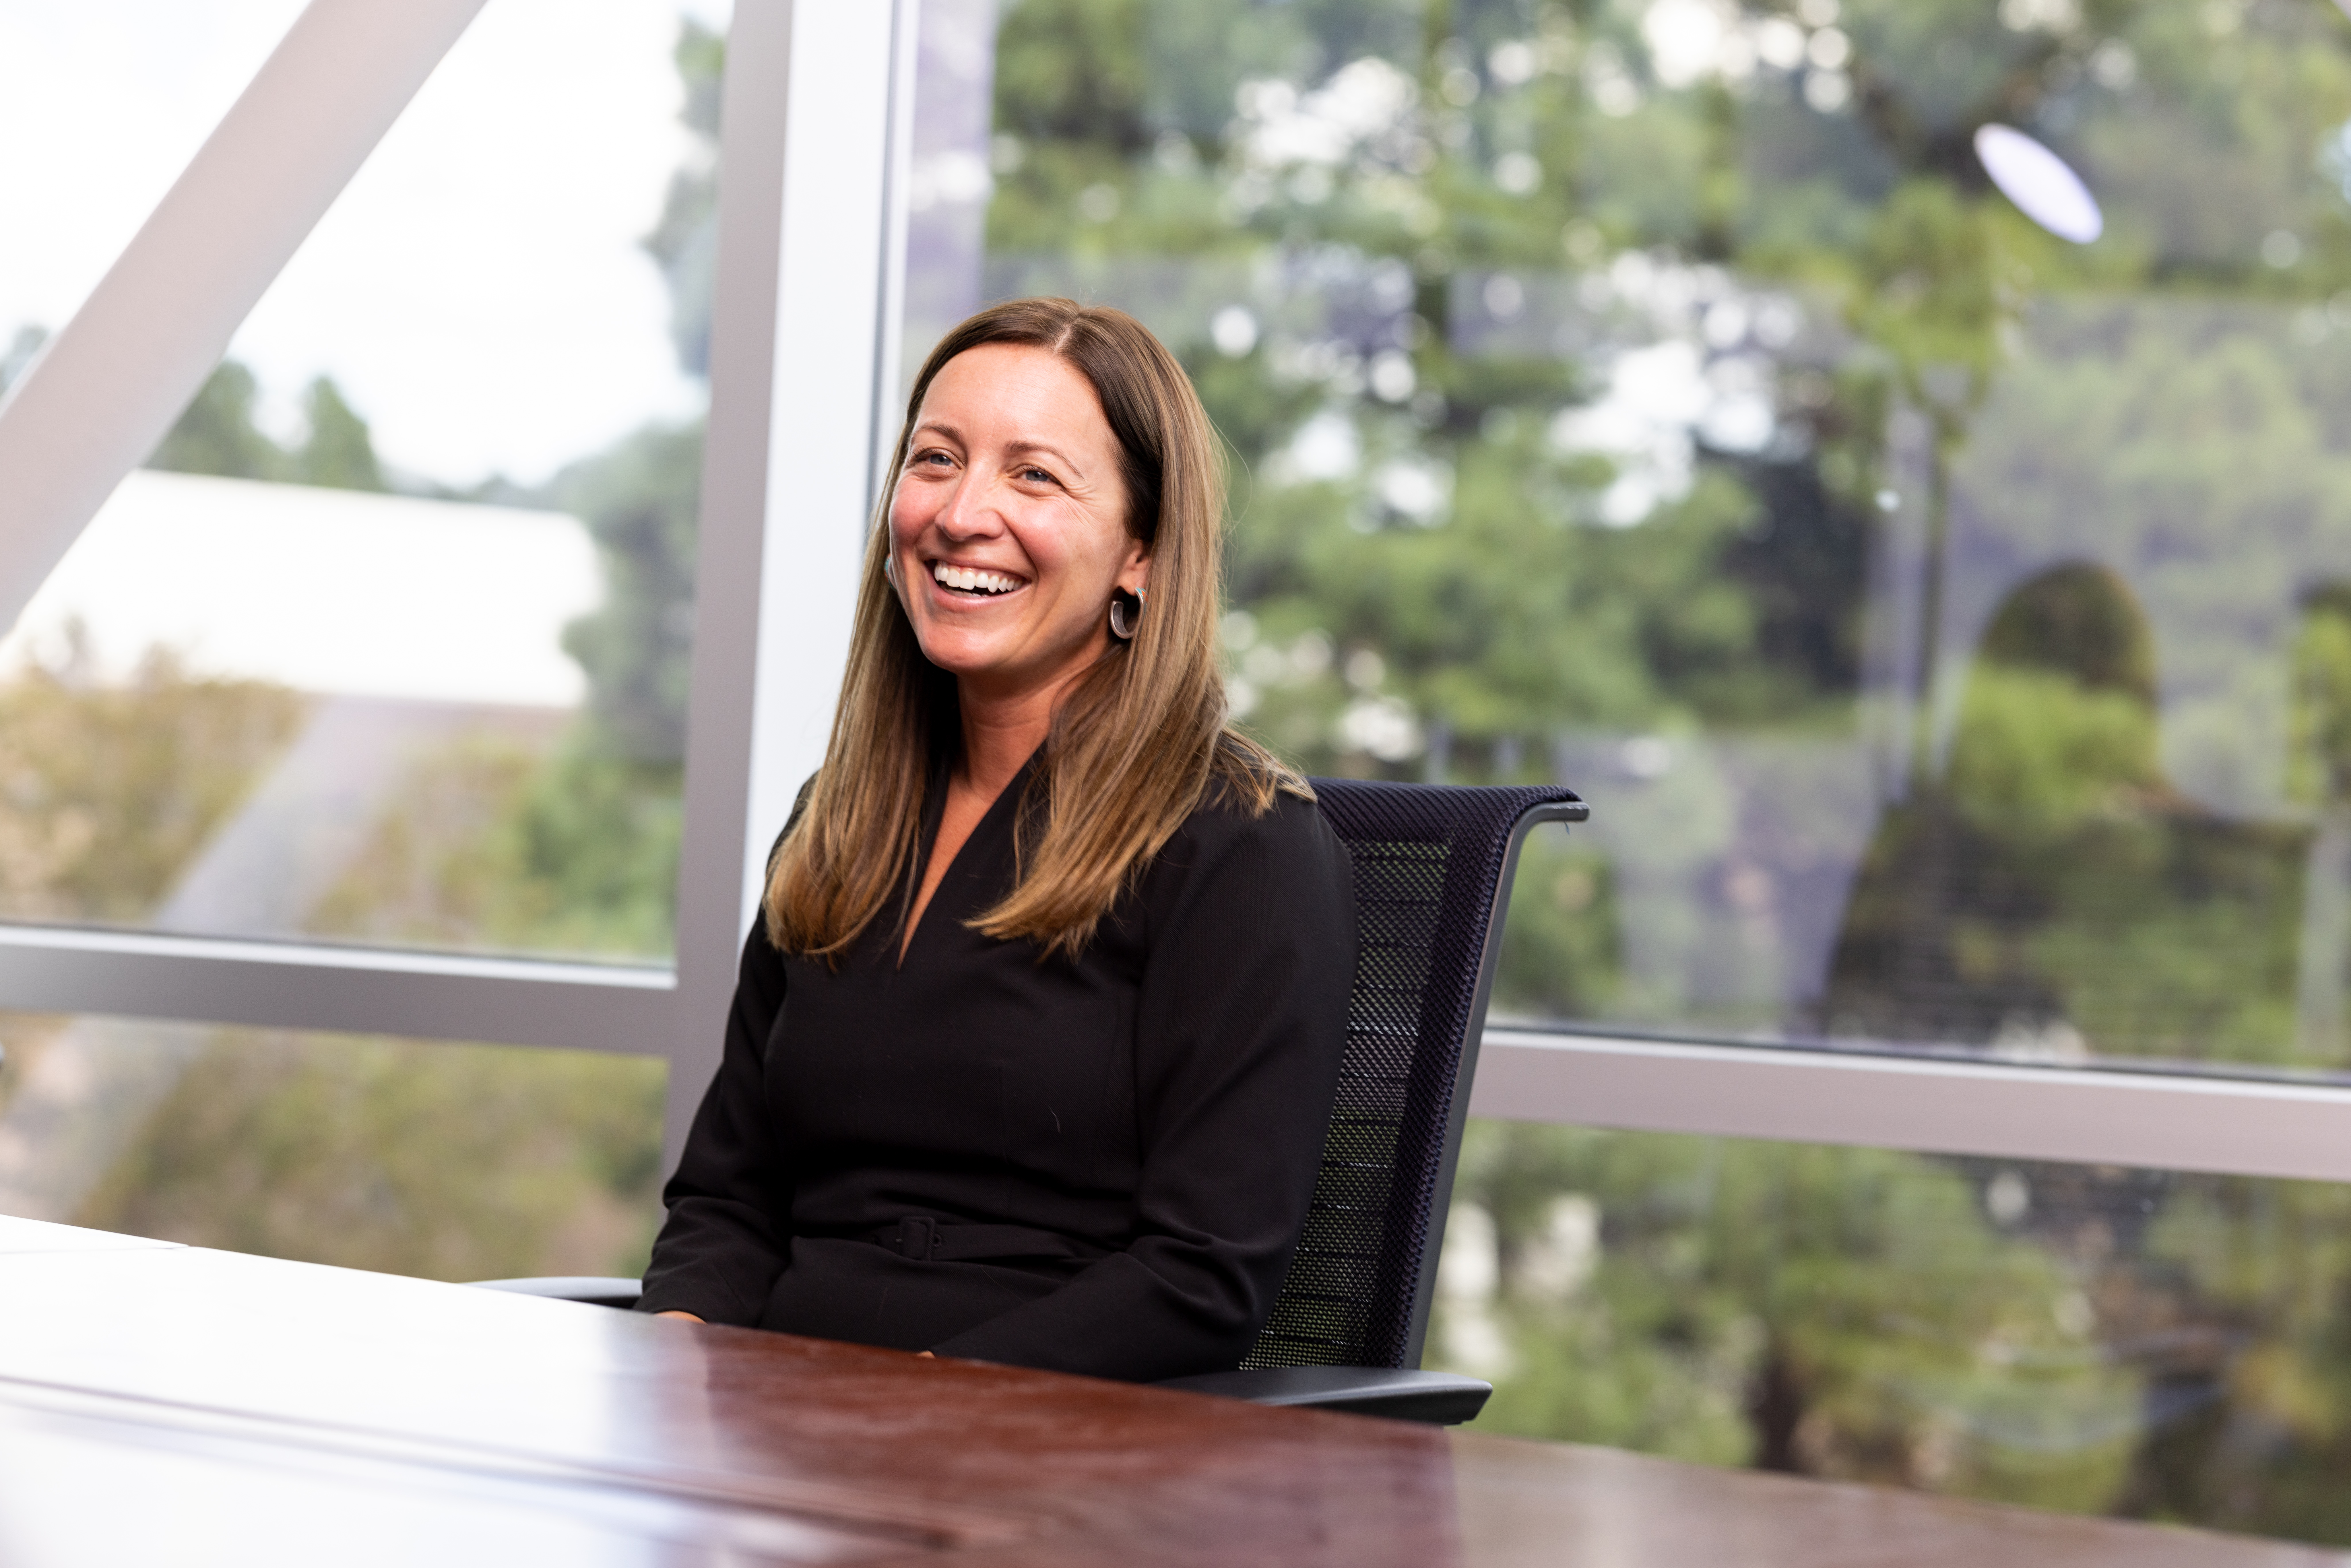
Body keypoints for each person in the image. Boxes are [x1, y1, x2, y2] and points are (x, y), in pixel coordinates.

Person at [634, 298, 1356, 1383]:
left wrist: (902, 1411)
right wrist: (671, 1373)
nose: (963, 513)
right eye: (936, 459)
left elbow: (1199, 1276)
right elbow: (728, 1204)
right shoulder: (842, 816)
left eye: (1035, 476)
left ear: (1143, 552)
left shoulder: (1242, 845)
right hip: (771, 1426)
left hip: (1030, 1441)